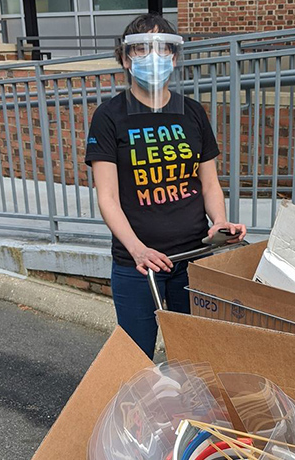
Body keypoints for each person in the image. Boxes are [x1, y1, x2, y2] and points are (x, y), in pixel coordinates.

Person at [85, 14, 246, 359]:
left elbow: (209, 183)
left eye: (162, 49)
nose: (152, 58)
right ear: (126, 58)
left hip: (192, 258)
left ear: (174, 57)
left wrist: (219, 222)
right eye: (142, 49)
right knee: (136, 357)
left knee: (195, 356)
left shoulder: (192, 113)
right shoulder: (110, 116)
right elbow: (108, 197)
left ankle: (188, 414)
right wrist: (137, 250)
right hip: (137, 266)